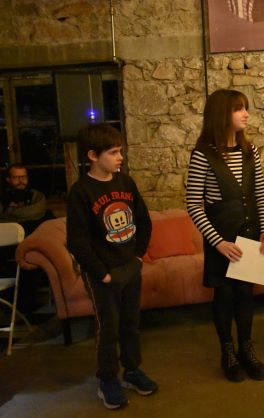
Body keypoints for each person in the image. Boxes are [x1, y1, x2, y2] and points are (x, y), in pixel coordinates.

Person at [66, 124, 157, 410]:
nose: (120, 157)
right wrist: (101, 273)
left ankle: (132, 370)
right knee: (109, 328)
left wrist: (138, 257)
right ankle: (107, 379)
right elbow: (77, 241)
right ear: (93, 156)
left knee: (131, 323)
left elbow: (143, 221)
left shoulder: (125, 183)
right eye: (114, 152)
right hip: (103, 275)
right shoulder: (81, 192)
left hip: (130, 266)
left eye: (120, 151)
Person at [186, 89, 264, 383]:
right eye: (239, 109)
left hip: (249, 235)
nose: (246, 114)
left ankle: (247, 349)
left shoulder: (250, 151)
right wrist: (218, 242)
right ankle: (228, 352)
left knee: (246, 295)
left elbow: (260, 194)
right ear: (222, 114)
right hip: (221, 240)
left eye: (245, 108)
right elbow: (193, 204)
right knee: (224, 296)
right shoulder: (203, 154)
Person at [1, 164, 48, 235]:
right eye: (16, 177)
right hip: (10, 234)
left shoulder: (36, 195)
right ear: (8, 179)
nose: (21, 180)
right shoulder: (2, 196)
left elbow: (36, 212)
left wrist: (9, 211)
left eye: (23, 177)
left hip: (34, 234)